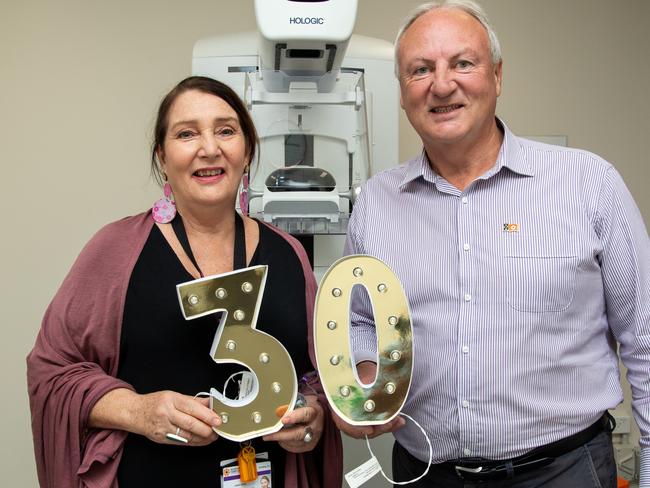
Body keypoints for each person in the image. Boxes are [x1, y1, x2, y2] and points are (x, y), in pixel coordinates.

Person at [335, 1, 650, 487]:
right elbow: (359, 319)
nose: (442, 85)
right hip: (426, 474)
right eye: (421, 70)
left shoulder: (588, 184)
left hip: (563, 472)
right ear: (402, 91)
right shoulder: (377, 203)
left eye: (463, 63)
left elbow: (644, 341)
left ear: (497, 76)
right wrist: (364, 370)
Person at [27, 76, 342, 488]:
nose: (209, 148)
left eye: (226, 131)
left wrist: (313, 416)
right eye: (187, 133)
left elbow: (316, 376)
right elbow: (52, 372)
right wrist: (138, 411)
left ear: (246, 151)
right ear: (162, 155)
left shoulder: (288, 255)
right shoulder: (115, 251)